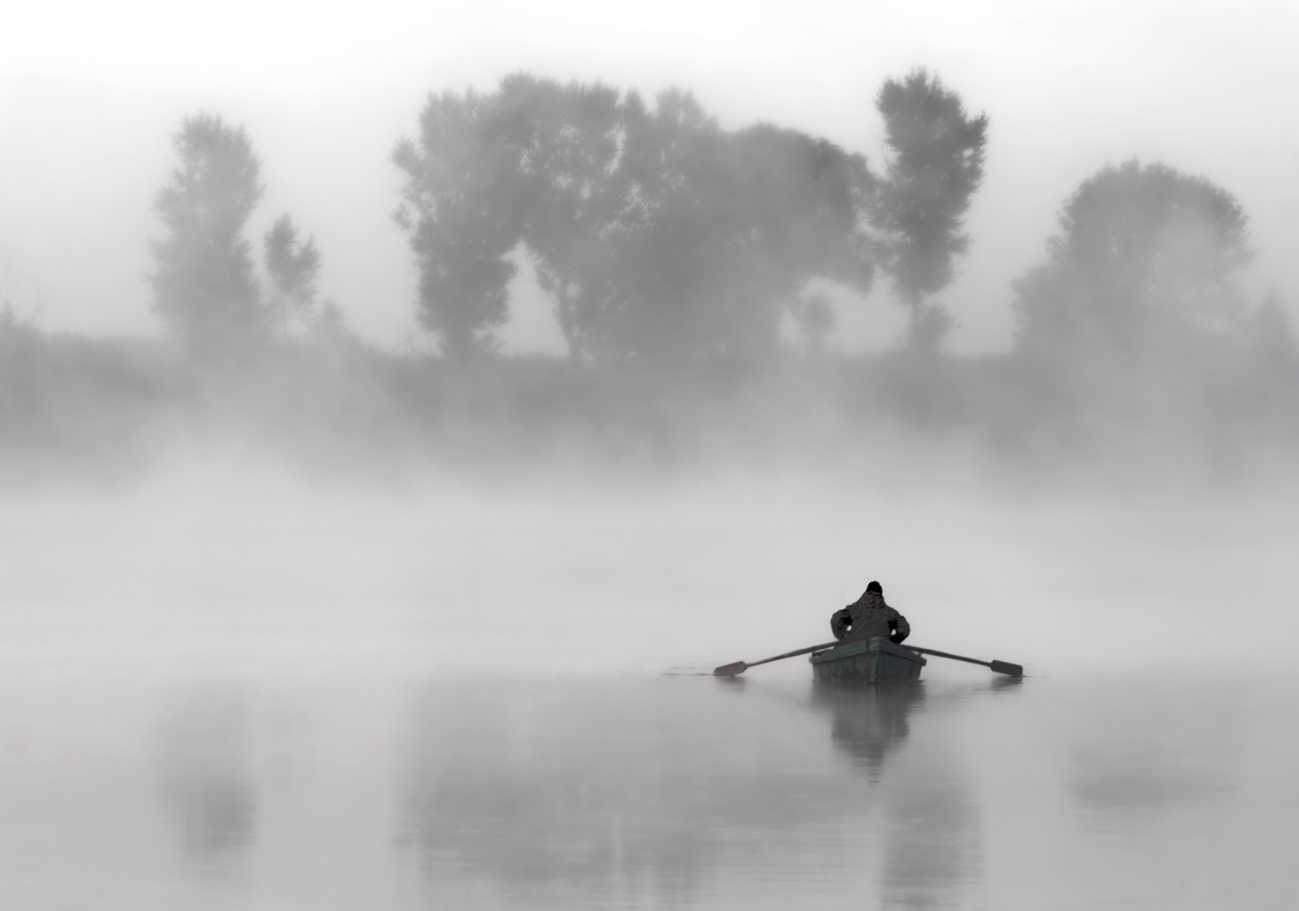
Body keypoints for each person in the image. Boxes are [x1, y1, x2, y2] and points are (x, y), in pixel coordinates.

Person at [830, 581, 910, 645]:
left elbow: (836, 620)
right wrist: (891, 642)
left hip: (856, 649)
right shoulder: (890, 612)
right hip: (883, 650)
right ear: (881, 595)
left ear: (866, 592)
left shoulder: (853, 609)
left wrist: (846, 637)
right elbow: (905, 629)